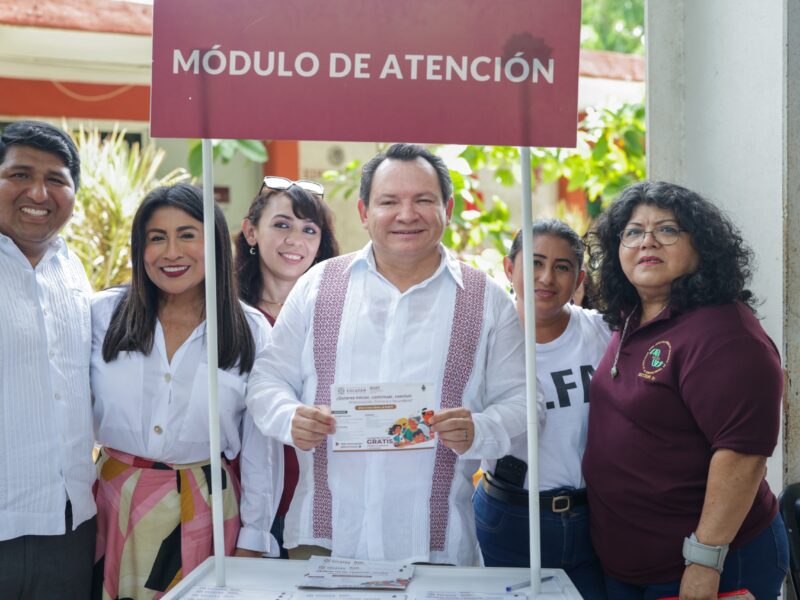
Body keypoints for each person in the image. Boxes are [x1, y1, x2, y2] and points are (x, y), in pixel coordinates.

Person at [246, 143, 532, 565]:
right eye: (389, 201)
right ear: (364, 212)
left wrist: (481, 428)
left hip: (437, 547)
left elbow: (527, 403)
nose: (406, 214)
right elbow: (267, 380)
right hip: (324, 541)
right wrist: (290, 417)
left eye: (423, 200)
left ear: (447, 208)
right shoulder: (319, 286)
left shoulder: (486, 300)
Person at [582, 181, 788, 599]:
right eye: (633, 231)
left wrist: (704, 561)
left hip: (709, 567)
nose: (647, 242)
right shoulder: (633, 315)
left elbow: (742, 456)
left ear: (703, 246)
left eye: (668, 230)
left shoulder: (724, 334)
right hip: (628, 564)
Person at [92, 183, 282, 599]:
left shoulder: (250, 329)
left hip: (208, 512)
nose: (171, 252)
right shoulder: (101, 314)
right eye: (156, 238)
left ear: (213, 243)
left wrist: (254, 537)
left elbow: (260, 448)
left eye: (187, 235)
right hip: (113, 505)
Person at [473, 221, 610, 599]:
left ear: (579, 277)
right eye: (534, 263)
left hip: (592, 518)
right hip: (511, 516)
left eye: (562, 267)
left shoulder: (603, 334)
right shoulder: (483, 342)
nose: (546, 277)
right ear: (508, 268)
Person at [0, 120, 96, 598]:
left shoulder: (74, 271)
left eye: (56, 179)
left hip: (69, 525)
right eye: (19, 175)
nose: (38, 192)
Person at [236, 176, 339, 558]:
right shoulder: (226, 316)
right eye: (282, 225)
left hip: (317, 502)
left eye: (309, 229)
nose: (295, 240)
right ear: (251, 231)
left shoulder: (340, 313)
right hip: (243, 502)